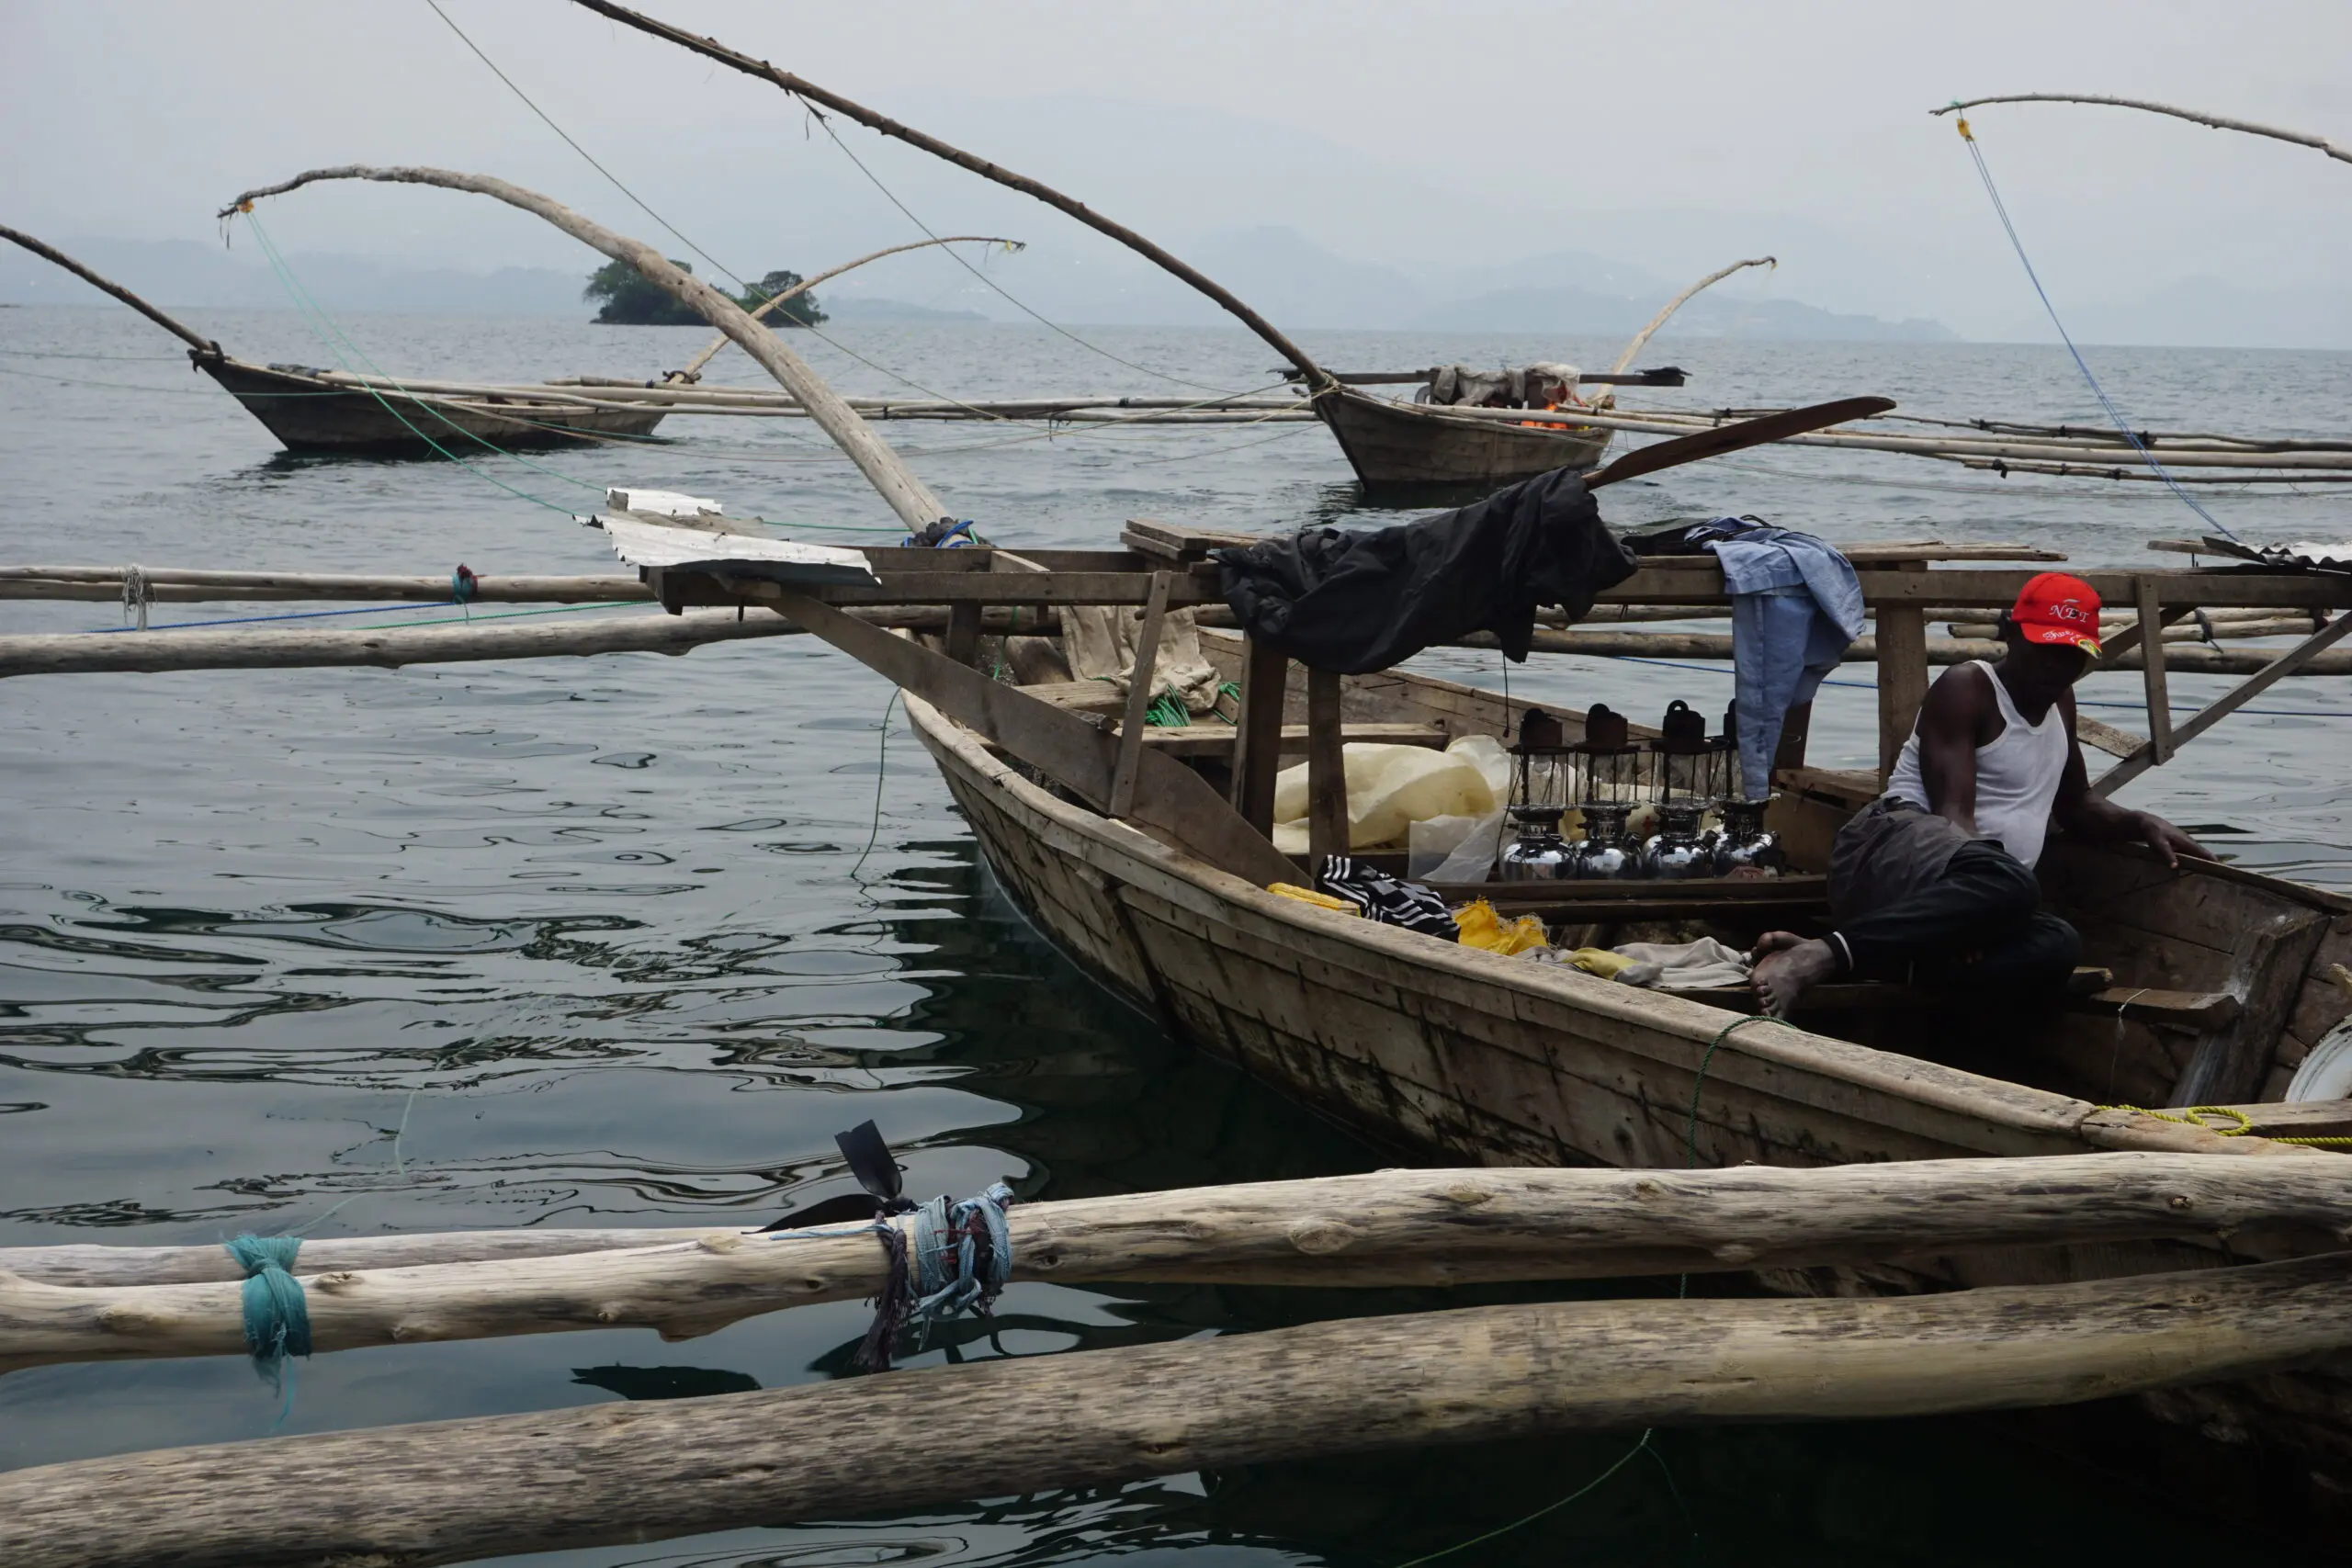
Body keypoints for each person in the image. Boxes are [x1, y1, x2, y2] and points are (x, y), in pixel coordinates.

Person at [1750, 571, 2210, 1016]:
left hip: (1972, 903)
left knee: (2059, 943)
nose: (2058, 665)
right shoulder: (1969, 686)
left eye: (2072, 654)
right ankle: (1820, 957)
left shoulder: (2061, 702)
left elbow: (2075, 806)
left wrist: (2140, 822)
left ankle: (1852, 955)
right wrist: (1980, 915)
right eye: (2046, 649)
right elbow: (1954, 821)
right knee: (2011, 884)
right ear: (2011, 631)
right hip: (1896, 856)